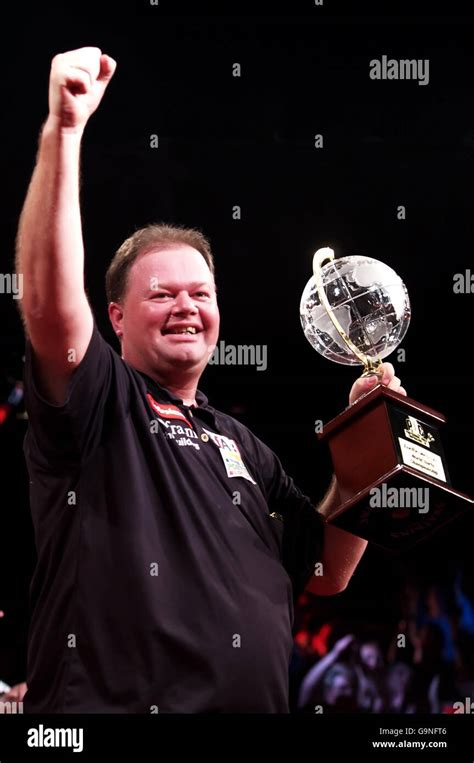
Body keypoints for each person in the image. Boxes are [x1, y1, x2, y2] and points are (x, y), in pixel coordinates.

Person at [14, 47, 406, 713]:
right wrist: (64, 132)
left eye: (201, 292)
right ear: (115, 316)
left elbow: (325, 571)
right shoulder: (101, 401)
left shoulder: (245, 448)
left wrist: (369, 446)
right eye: (163, 294)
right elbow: (50, 303)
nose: (187, 306)